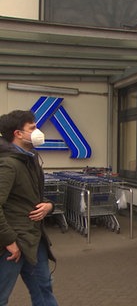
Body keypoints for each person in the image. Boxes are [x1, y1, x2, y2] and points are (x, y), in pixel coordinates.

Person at [0, 110, 58, 306]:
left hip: (34, 239)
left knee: (44, 290)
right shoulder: (8, 164)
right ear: (18, 133)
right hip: (12, 245)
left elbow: (34, 196)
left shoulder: (30, 159)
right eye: (32, 128)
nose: (37, 131)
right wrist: (9, 240)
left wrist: (49, 206)